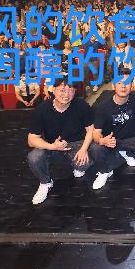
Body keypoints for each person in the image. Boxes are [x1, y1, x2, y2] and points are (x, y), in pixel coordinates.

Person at [26, 76, 94, 205]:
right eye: (62, 90)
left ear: (75, 92)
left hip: (76, 144)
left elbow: (90, 129)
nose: (66, 94)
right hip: (53, 145)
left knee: (84, 163)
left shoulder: (82, 105)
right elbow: (31, 139)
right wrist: (52, 146)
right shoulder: (42, 109)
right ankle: (45, 183)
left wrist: (84, 149)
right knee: (34, 157)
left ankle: (78, 167)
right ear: (54, 90)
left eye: (70, 90)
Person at [90, 68, 135, 189]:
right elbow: (96, 132)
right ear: (113, 86)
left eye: (127, 82)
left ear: (132, 85)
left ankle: (124, 152)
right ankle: (104, 172)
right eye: (119, 83)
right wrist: (102, 140)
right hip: (111, 141)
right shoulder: (103, 106)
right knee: (95, 148)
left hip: (130, 138)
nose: (123, 86)